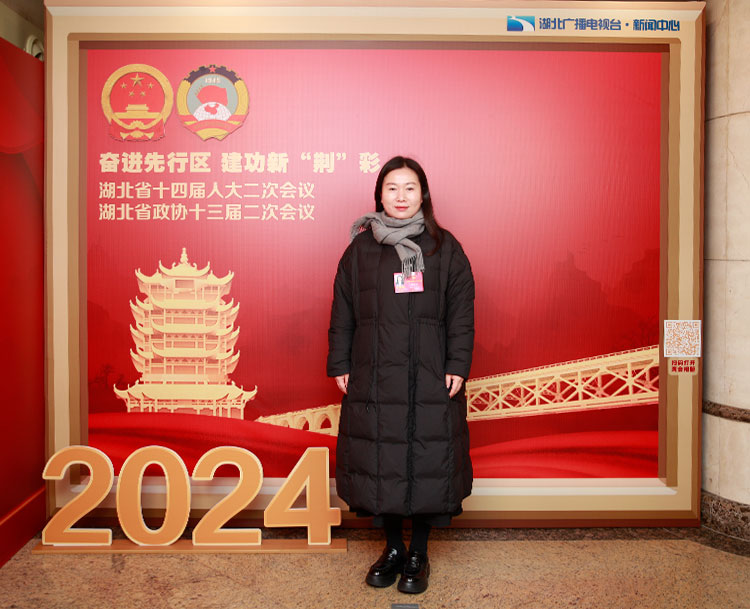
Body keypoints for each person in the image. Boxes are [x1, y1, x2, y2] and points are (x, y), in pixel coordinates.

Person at [327, 156, 475, 594]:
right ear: (379, 194)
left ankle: (419, 553)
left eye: (410, 188)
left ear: (423, 195)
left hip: (431, 373)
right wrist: (340, 364)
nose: (401, 196)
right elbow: (342, 313)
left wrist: (457, 364)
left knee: (428, 459)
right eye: (392, 188)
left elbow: (462, 314)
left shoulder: (445, 248)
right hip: (374, 373)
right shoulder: (360, 250)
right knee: (383, 461)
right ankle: (392, 547)